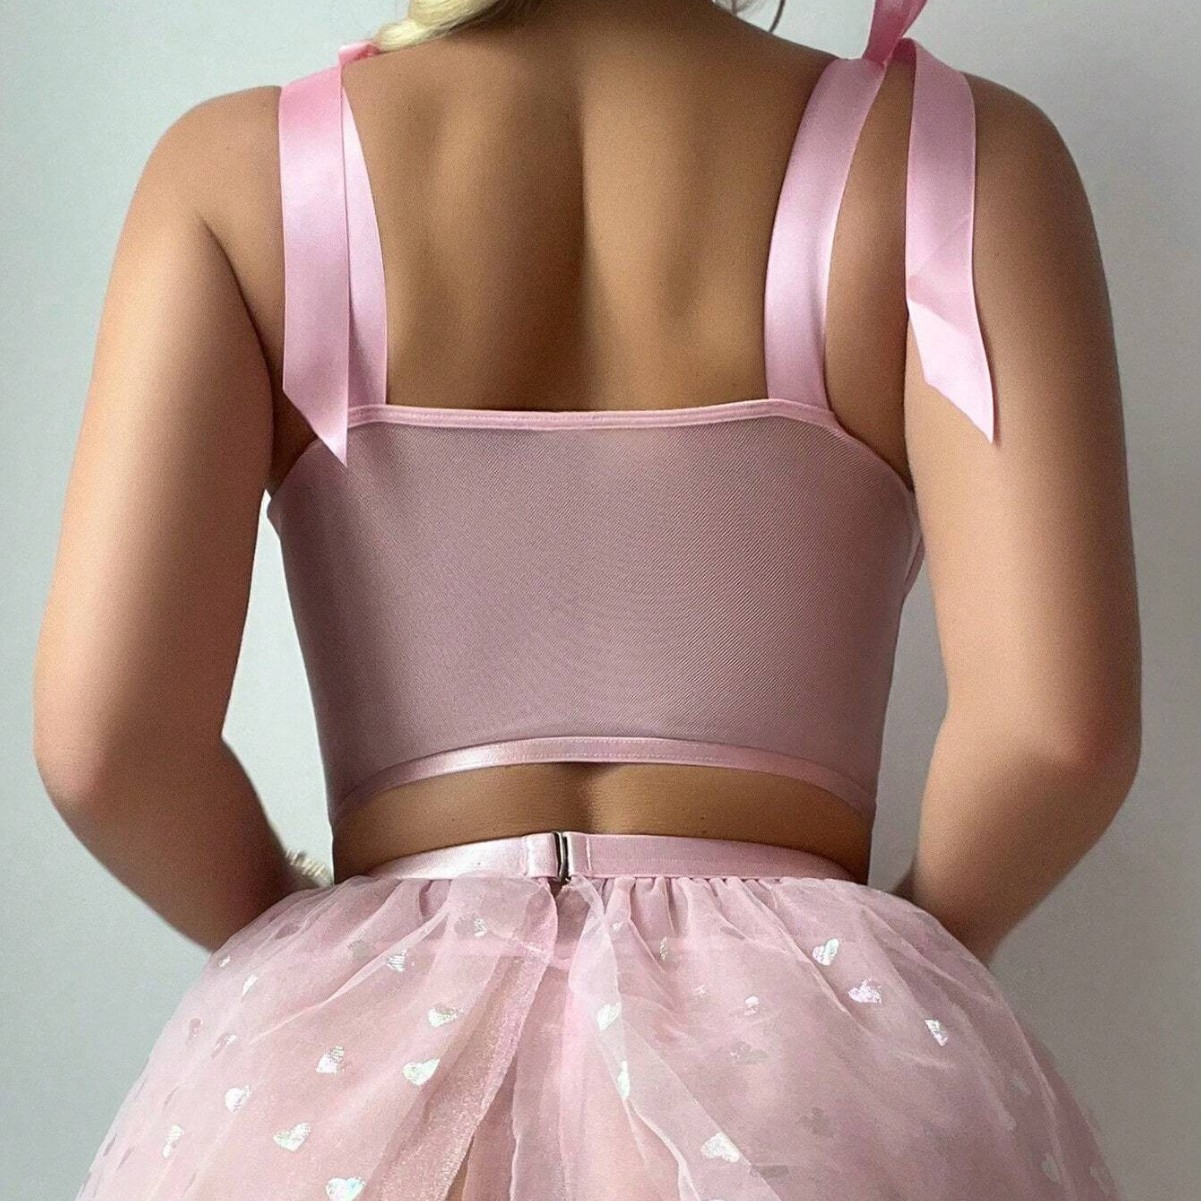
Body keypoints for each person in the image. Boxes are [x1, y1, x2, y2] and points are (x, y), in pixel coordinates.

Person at [35, 0, 1141, 1196]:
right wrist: (884, 975)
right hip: (798, 1094)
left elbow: (109, 747)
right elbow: (1054, 738)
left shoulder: (232, 173)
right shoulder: (952, 157)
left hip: (361, 1073)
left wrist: (315, 951)